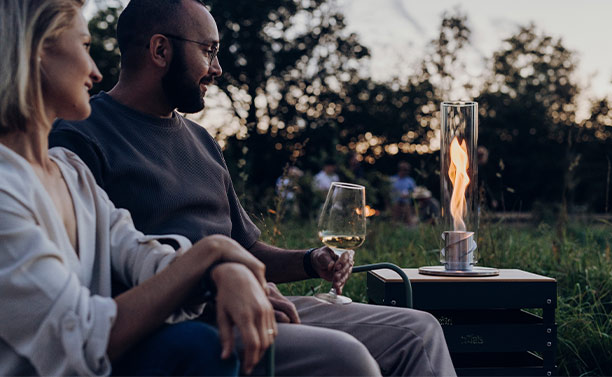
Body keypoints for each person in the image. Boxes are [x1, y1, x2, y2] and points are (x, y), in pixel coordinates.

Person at [49, 0, 457, 375]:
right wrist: (216, 278)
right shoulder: (80, 137)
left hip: (257, 297)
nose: (218, 68)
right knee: (345, 358)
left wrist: (311, 260)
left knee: (419, 330)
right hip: (190, 320)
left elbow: (245, 247)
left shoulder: (201, 141)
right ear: (160, 51)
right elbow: (101, 263)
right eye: (208, 50)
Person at [0, 1, 276, 375]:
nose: (96, 72)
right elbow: (79, 336)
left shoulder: (72, 175)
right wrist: (213, 252)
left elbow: (141, 255)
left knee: (199, 347)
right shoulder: (6, 192)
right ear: (35, 52)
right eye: (84, 47)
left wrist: (224, 270)